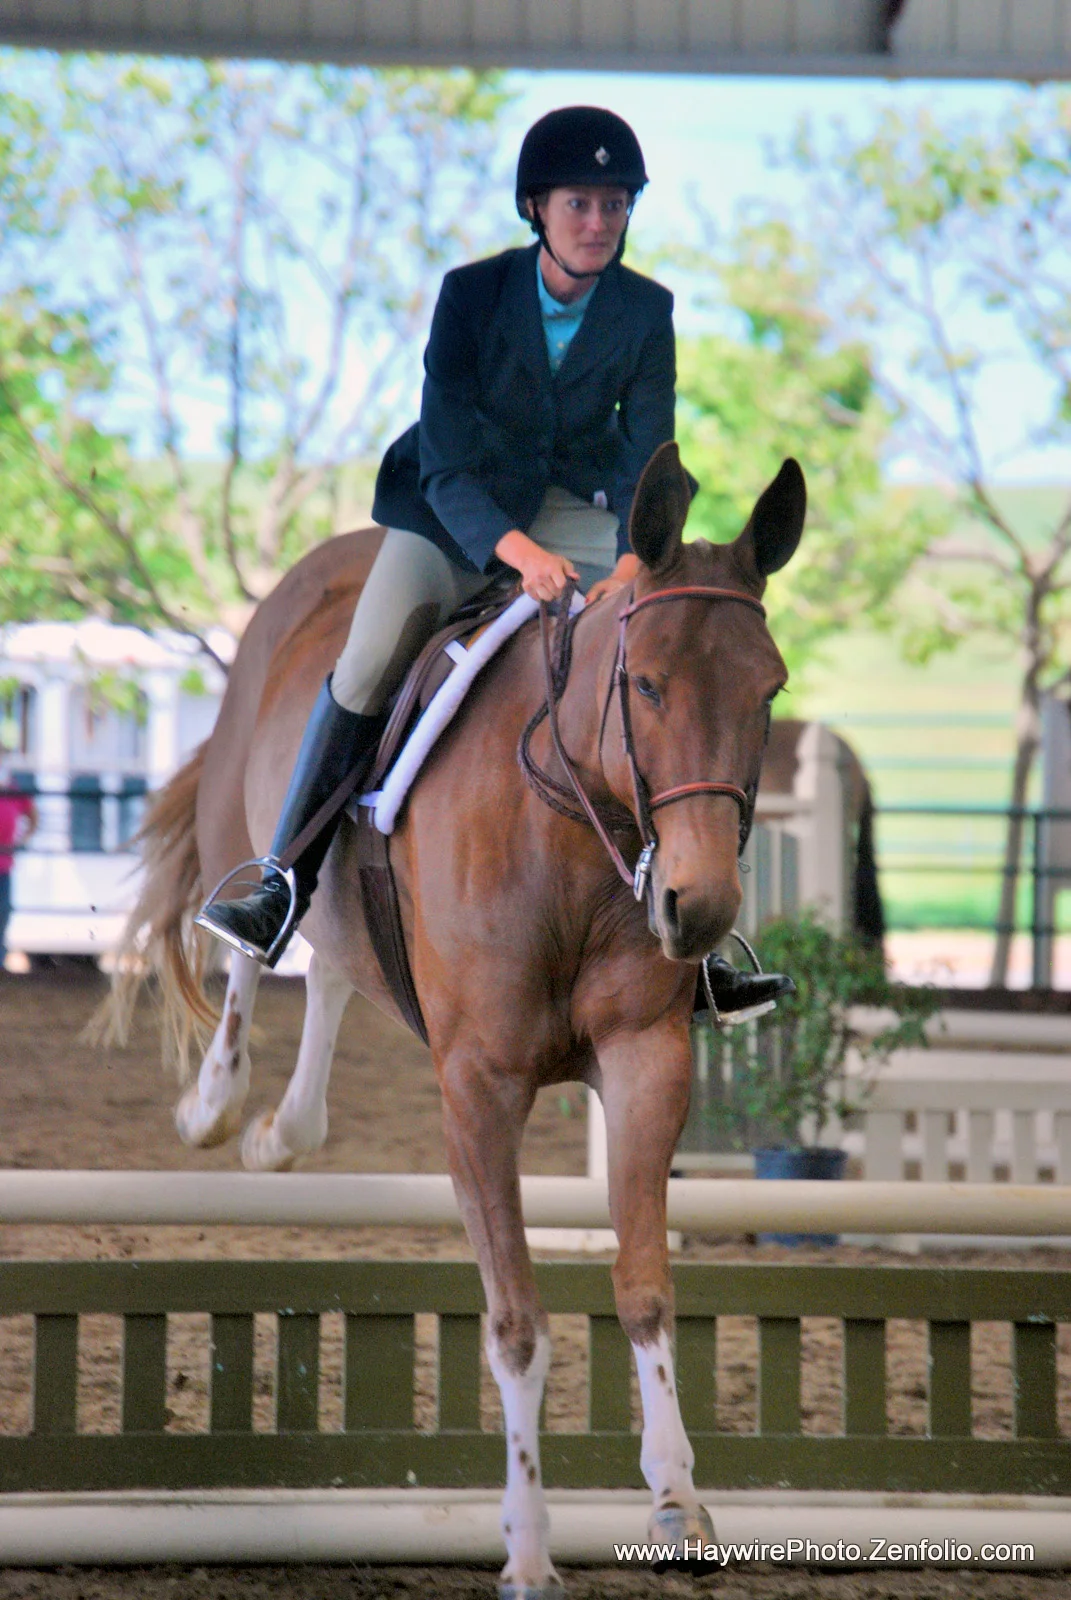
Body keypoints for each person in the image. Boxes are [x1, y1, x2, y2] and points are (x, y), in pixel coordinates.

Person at [197, 106, 791, 1020]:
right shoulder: (470, 298)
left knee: (652, 661)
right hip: (452, 512)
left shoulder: (647, 311)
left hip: (589, 522)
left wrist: (634, 563)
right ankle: (281, 878)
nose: (598, 221)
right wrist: (519, 557)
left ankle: (696, 942)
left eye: (614, 204)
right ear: (536, 209)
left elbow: (650, 455)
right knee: (363, 664)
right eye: (580, 203)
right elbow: (443, 459)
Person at [0, 760, 36, 970]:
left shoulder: (13, 791)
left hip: (4, 866)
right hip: (4, 864)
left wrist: (22, 840)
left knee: (2, 914)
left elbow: (33, 815)